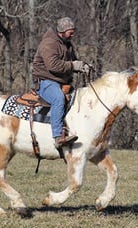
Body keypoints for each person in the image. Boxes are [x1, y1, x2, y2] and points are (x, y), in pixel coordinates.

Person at [32, 17, 90, 148]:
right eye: (70, 32)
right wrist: (74, 65)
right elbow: (53, 65)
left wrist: (83, 66)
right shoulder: (49, 43)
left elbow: (73, 62)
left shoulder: (67, 44)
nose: (73, 34)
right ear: (62, 32)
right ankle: (58, 137)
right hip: (45, 81)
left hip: (61, 82)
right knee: (58, 99)